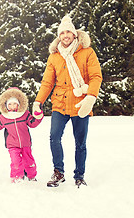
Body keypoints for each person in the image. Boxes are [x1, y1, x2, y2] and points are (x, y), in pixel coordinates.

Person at [32, 15, 102, 188]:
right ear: (59, 36)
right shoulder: (54, 56)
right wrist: (38, 101)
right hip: (60, 104)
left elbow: (95, 76)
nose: (65, 35)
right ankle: (58, 172)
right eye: (62, 32)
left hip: (81, 104)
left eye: (68, 32)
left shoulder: (87, 52)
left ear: (74, 34)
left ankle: (79, 176)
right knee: (54, 138)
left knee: (80, 143)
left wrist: (91, 97)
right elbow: (47, 82)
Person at [0, 87, 43, 183]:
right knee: (16, 162)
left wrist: (38, 116)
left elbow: (33, 123)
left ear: (19, 104)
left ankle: (31, 176)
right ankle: (17, 177)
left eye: (15, 104)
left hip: (26, 144)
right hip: (12, 145)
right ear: (6, 105)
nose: (12, 106)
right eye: (10, 104)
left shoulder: (24, 114)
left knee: (29, 161)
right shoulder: (5, 117)